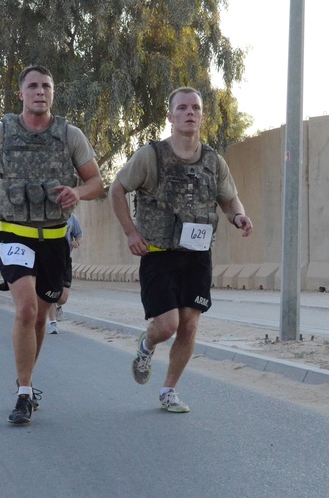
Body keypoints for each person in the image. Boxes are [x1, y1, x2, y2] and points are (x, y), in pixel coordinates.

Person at [0, 64, 104, 425]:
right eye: (33, 86)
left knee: (42, 316)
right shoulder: (2, 132)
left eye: (46, 86)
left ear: (52, 93)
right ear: (21, 94)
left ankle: (25, 378)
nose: (40, 91)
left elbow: (96, 183)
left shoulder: (70, 135)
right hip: (14, 234)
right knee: (25, 311)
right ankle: (24, 392)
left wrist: (77, 191)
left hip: (54, 240)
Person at [108, 86, 253, 413]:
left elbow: (228, 199)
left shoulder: (213, 161)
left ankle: (168, 391)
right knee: (167, 325)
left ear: (202, 116)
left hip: (198, 255)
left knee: (189, 324)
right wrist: (130, 232)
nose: (190, 113)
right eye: (183, 108)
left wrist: (239, 216)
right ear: (171, 116)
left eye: (195, 108)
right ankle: (146, 347)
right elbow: (116, 189)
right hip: (158, 253)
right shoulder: (151, 156)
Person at [47, 213, 82, 334]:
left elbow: (79, 234)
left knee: (62, 298)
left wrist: (77, 242)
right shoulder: (47, 215)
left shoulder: (71, 217)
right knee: (51, 292)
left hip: (65, 259)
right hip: (49, 260)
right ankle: (52, 323)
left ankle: (58, 306)